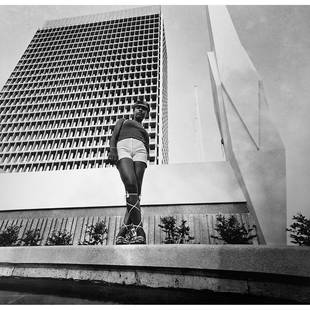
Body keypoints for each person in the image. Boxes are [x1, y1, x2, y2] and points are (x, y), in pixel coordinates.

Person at [107, 99, 150, 245]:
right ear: (134, 110)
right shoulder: (123, 121)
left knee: (135, 194)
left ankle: (122, 233)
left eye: (144, 109)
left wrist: (146, 158)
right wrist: (112, 150)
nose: (140, 110)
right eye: (138, 108)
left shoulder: (144, 131)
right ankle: (140, 230)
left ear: (146, 113)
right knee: (131, 185)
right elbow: (114, 136)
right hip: (123, 148)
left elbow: (147, 147)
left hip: (140, 152)